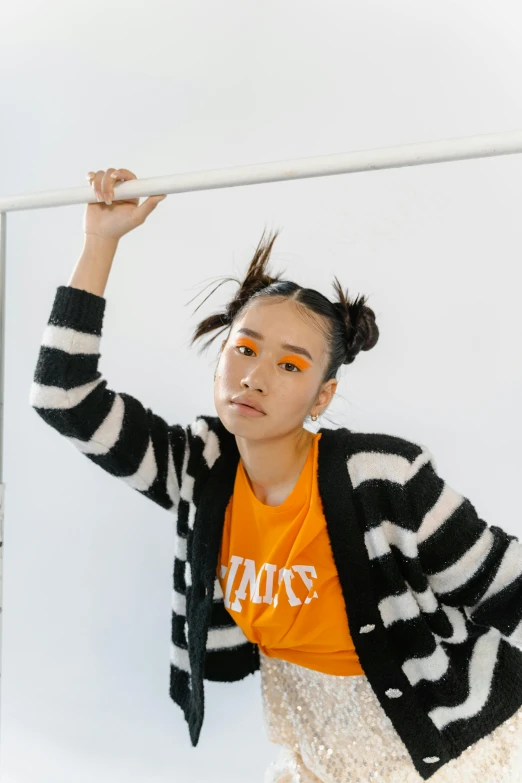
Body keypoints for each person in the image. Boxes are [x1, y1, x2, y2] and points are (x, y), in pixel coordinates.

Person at [29, 167, 522, 782]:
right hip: (310, 738)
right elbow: (64, 397)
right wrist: (100, 242)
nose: (256, 376)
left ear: (322, 396)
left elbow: (506, 583)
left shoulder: (382, 477)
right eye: (244, 348)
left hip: (447, 741)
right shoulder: (198, 468)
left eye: (291, 366)